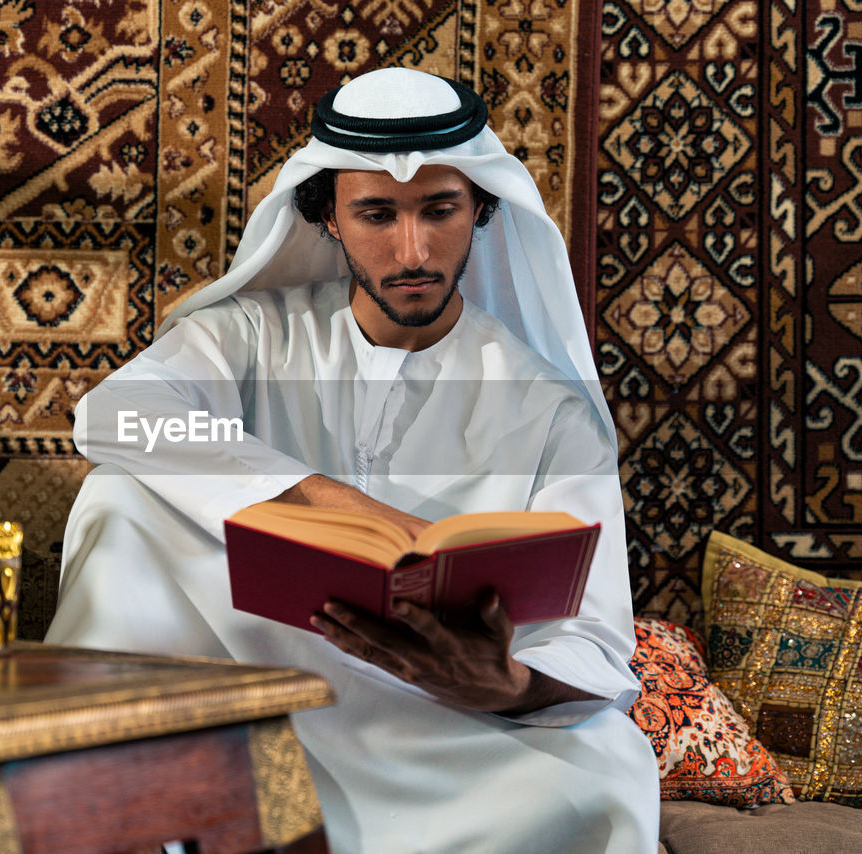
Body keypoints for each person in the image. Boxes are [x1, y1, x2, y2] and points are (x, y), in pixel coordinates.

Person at [45, 68, 660, 853]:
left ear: (480, 208)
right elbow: (114, 413)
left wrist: (504, 683)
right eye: (377, 214)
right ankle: (117, 800)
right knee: (120, 499)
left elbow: (597, 644)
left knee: (607, 779)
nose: (413, 251)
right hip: (256, 687)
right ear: (328, 218)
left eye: (440, 211)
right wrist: (332, 502)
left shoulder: (550, 411)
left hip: (436, 719)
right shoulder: (254, 336)